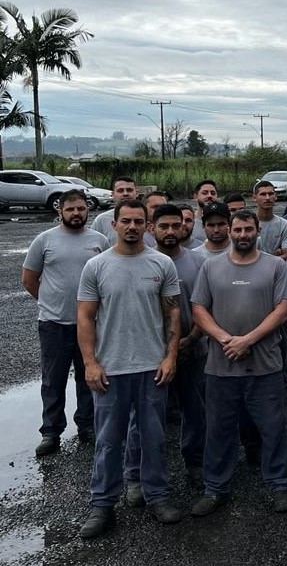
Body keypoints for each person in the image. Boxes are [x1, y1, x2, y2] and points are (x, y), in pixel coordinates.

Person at [76, 200, 182, 538]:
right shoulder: (96, 266)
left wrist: (170, 357)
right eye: (126, 221)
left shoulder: (162, 263)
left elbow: (173, 313)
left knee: (154, 438)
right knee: (108, 441)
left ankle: (157, 496)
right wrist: (90, 363)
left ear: (147, 225)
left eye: (138, 221)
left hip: (152, 368)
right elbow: (85, 317)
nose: (132, 227)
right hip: (110, 369)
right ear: (114, 225)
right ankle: (102, 505)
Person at [189, 210, 287, 516]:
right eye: (238, 229)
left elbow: (282, 310)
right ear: (230, 232)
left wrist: (247, 340)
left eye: (249, 229)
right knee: (218, 430)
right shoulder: (211, 266)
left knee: (273, 428)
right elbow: (199, 309)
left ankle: (279, 484)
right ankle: (215, 488)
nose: (243, 234)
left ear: (258, 230)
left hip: (265, 365)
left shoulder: (275, 265)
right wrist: (226, 340)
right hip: (221, 366)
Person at [22, 189, 108, 456]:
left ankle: (88, 425)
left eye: (80, 208)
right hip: (54, 324)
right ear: (60, 210)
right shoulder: (44, 240)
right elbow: (29, 279)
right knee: (53, 379)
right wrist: (50, 302)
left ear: (88, 209)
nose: (76, 213)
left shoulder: (100, 241)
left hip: (91, 323)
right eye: (70, 209)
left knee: (89, 375)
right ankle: (51, 432)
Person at [128, 204, 207, 488]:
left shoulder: (199, 262)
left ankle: (195, 463)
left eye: (177, 225)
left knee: (195, 410)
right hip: (151, 353)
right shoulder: (141, 262)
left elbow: (206, 306)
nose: (171, 231)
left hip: (192, 349)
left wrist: (192, 339)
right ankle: (136, 475)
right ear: (152, 228)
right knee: (144, 415)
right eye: (164, 226)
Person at [253, 180, 287, 259]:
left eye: (270, 194)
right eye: (263, 194)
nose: (267, 198)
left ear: (275, 196)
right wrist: (274, 256)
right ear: (254, 198)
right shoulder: (247, 226)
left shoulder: (285, 225)